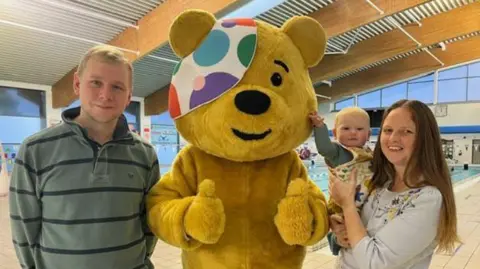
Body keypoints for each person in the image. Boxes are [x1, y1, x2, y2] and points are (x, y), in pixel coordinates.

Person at [9, 45, 160, 269]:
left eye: (117, 87)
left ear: (129, 96)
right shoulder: (35, 150)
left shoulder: (145, 154)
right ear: (77, 84)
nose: (105, 95)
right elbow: (25, 230)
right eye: (96, 82)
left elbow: (150, 224)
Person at [328, 99, 459, 269]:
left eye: (406, 131)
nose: (393, 138)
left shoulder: (427, 199)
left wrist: (347, 204)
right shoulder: (379, 184)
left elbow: (373, 263)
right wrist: (339, 234)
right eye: (388, 130)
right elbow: (354, 232)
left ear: (424, 138)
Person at [309, 107, 374, 255]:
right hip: (342, 205)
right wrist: (319, 127)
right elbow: (324, 148)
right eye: (346, 128)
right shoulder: (338, 152)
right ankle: (334, 242)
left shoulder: (369, 153)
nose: (353, 132)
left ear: (368, 134)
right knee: (341, 227)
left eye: (359, 128)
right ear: (335, 133)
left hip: (362, 202)